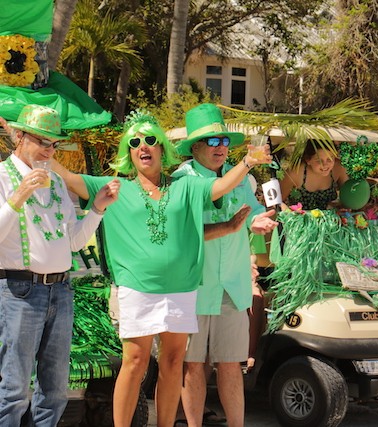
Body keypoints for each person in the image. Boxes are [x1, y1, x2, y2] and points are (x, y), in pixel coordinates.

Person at [51, 110, 271, 427]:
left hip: (181, 290)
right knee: (135, 361)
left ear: (161, 148)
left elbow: (221, 186)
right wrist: (40, 146)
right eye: (135, 142)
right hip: (136, 289)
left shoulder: (184, 186)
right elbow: (69, 178)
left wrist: (248, 162)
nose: (143, 146)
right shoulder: (115, 188)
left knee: (173, 361)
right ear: (129, 152)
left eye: (150, 139)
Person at [0, 105, 120, 425]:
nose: (49, 151)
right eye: (42, 141)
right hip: (20, 291)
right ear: (20, 137)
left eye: (54, 144)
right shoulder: (2, 176)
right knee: (14, 390)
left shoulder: (55, 182)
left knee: (54, 390)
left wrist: (97, 209)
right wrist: (19, 195)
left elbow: (74, 242)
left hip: (61, 290)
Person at [172, 103, 278, 427]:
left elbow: (252, 211)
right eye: (212, 141)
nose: (220, 148)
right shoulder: (182, 180)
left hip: (232, 285)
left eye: (224, 141)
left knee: (232, 364)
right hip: (195, 287)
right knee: (193, 365)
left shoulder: (242, 178)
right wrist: (248, 163)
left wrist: (258, 221)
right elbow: (186, 230)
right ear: (195, 147)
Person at [279, 140, 349, 210]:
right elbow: (278, 201)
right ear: (308, 160)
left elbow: (349, 195)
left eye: (330, 159)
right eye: (319, 161)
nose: (325, 165)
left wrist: (343, 207)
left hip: (331, 215)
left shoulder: (338, 168)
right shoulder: (294, 173)